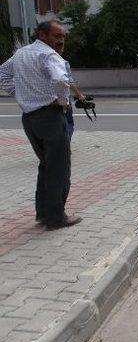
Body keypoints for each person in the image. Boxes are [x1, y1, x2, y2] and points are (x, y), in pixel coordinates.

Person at [0, 20, 82, 230]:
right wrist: (62, 102)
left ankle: (43, 214)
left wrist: (18, 93)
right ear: (42, 35)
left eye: (62, 36)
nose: (61, 40)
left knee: (46, 165)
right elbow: (61, 81)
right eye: (56, 36)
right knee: (59, 169)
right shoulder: (48, 55)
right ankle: (56, 218)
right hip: (50, 117)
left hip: (30, 119)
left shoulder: (21, 53)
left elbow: (2, 73)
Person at [63, 60, 87, 140]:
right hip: (63, 99)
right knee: (68, 123)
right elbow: (69, 82)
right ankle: (65, 145)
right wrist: (79, 95)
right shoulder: (63, 62)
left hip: (45, 102)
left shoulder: (39, 62)